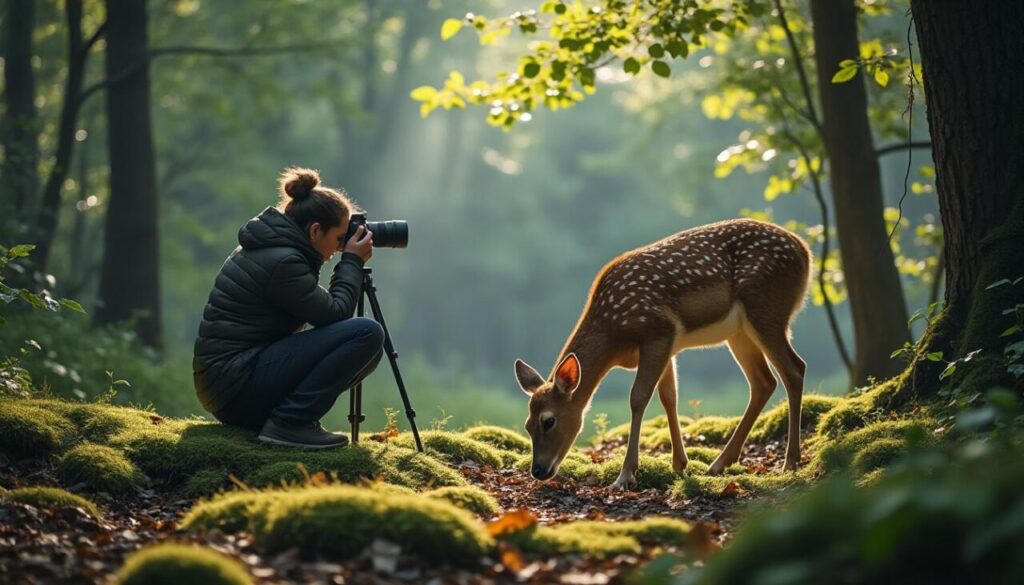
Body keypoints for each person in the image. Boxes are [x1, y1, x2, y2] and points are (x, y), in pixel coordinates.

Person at [192, 167, 384, 449]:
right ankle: (289, 424)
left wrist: (344, 257)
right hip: (234, 386)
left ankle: (291, 420)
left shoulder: (273, 248)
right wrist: (353, 262)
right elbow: (335, 314)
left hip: (229, 383)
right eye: (339, 238)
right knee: (367, 333)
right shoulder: (283, 262)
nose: (341, 247)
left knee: (371, 350)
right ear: (315, 230)